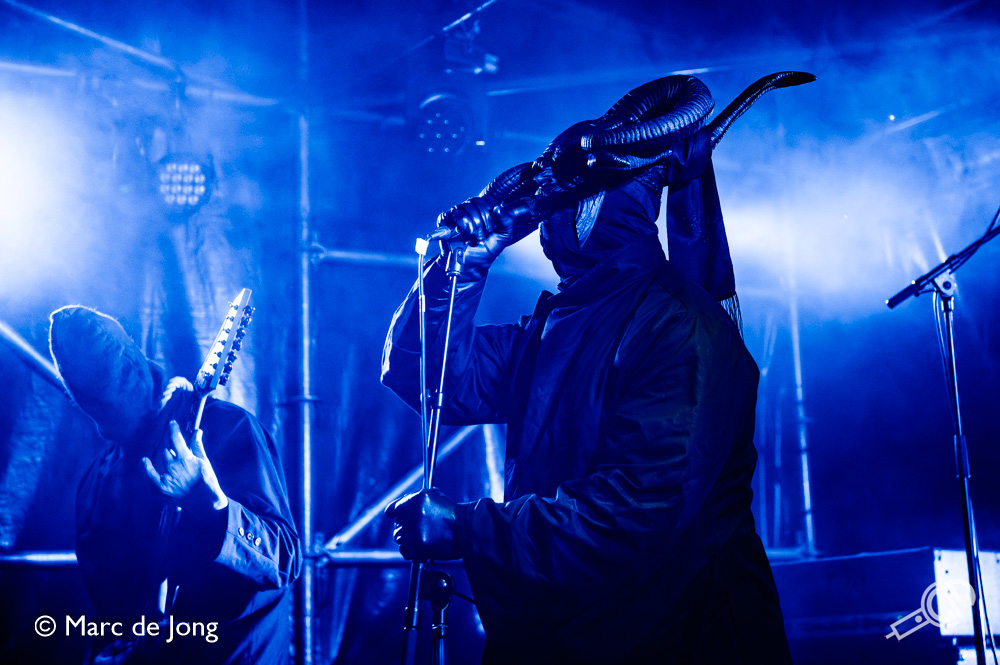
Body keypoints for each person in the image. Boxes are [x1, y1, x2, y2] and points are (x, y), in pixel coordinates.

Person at [382, 74, 799, 663]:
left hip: (679, 642)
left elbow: (636, 511)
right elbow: (425, 377)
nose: (544, 215)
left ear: (601, 200)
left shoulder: (678, 325)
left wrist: (466, 528)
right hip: (573, 637)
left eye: (561, 195)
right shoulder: (559, 324)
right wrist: (461, 269)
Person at [48, 305, 300, 665]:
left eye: (124, 378)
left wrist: (212, 504)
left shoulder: (225, 429)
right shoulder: (96, 484)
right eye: (101, 397)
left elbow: (285, 559)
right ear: (84, 403)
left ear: (138, 364)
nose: (121, 396)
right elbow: (111, 616)